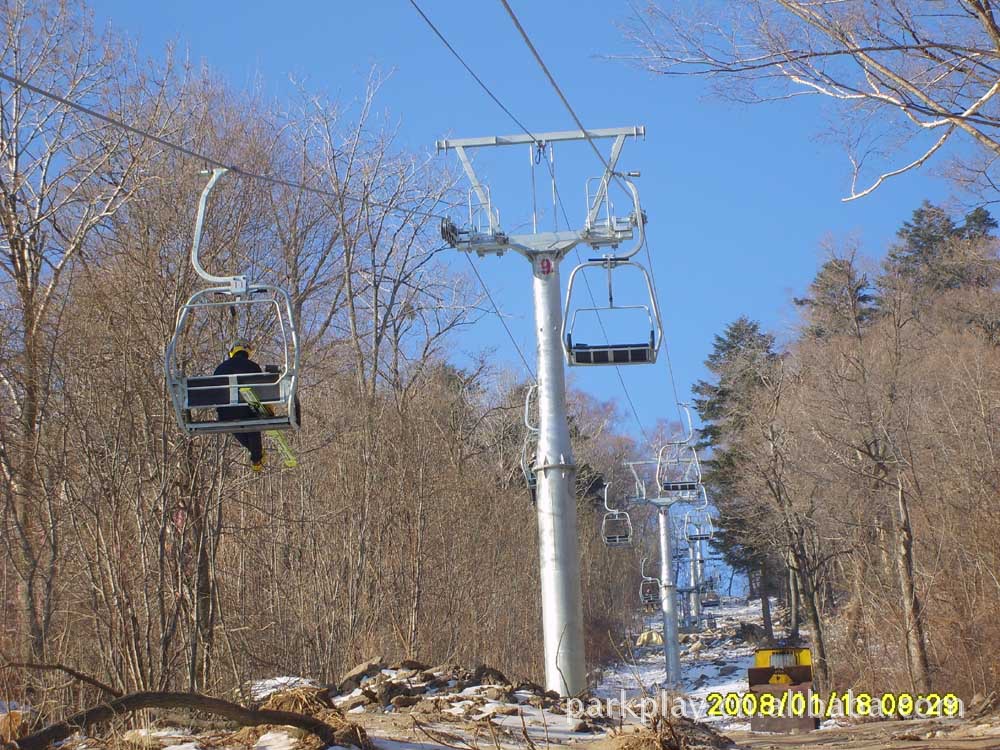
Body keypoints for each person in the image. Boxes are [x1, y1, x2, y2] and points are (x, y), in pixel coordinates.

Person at [215, 339, 266, 471]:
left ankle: (257, 456)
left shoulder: (220, 368)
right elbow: (261, 392)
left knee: (239, 424)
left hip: (226, 413)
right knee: (252, 423)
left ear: (232, 352)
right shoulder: (254, 367)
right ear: (247, 352)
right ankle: (256, 457)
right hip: (249, 409)